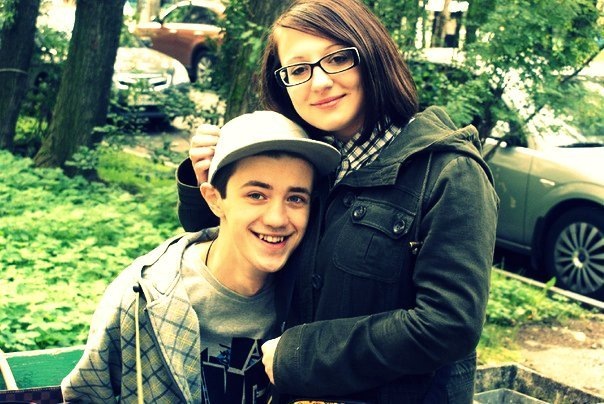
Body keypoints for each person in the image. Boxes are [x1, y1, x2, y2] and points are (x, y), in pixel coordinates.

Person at [177, 0, 499, 402]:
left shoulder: (449, 172)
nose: (320, 82)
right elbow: (247, 247)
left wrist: (301, 356)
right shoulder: (312, 162)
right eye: (298, 69)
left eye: (338, 59)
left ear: (373, 57)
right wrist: (208, 183)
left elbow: (448, 324)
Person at [60, 111, 340, 403]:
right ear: (214, 199)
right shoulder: (142, 297)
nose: (277, 218)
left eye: (296, 198)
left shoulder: (312, 300)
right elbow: (86, 395)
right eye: (256, 195)